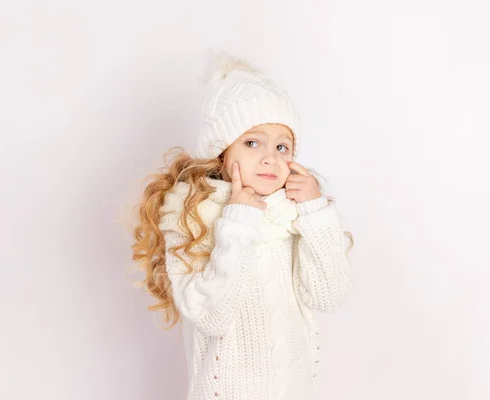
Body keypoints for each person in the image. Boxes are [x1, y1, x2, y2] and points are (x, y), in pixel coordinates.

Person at [130, 52, 354, 400]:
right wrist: (237, 220)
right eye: (252, 143)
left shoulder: (293, 215)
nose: (271, 158)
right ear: (221, 152)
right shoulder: (192, 216)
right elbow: (211, 315)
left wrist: (315, 211)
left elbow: (328, 296)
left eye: (283, 146)